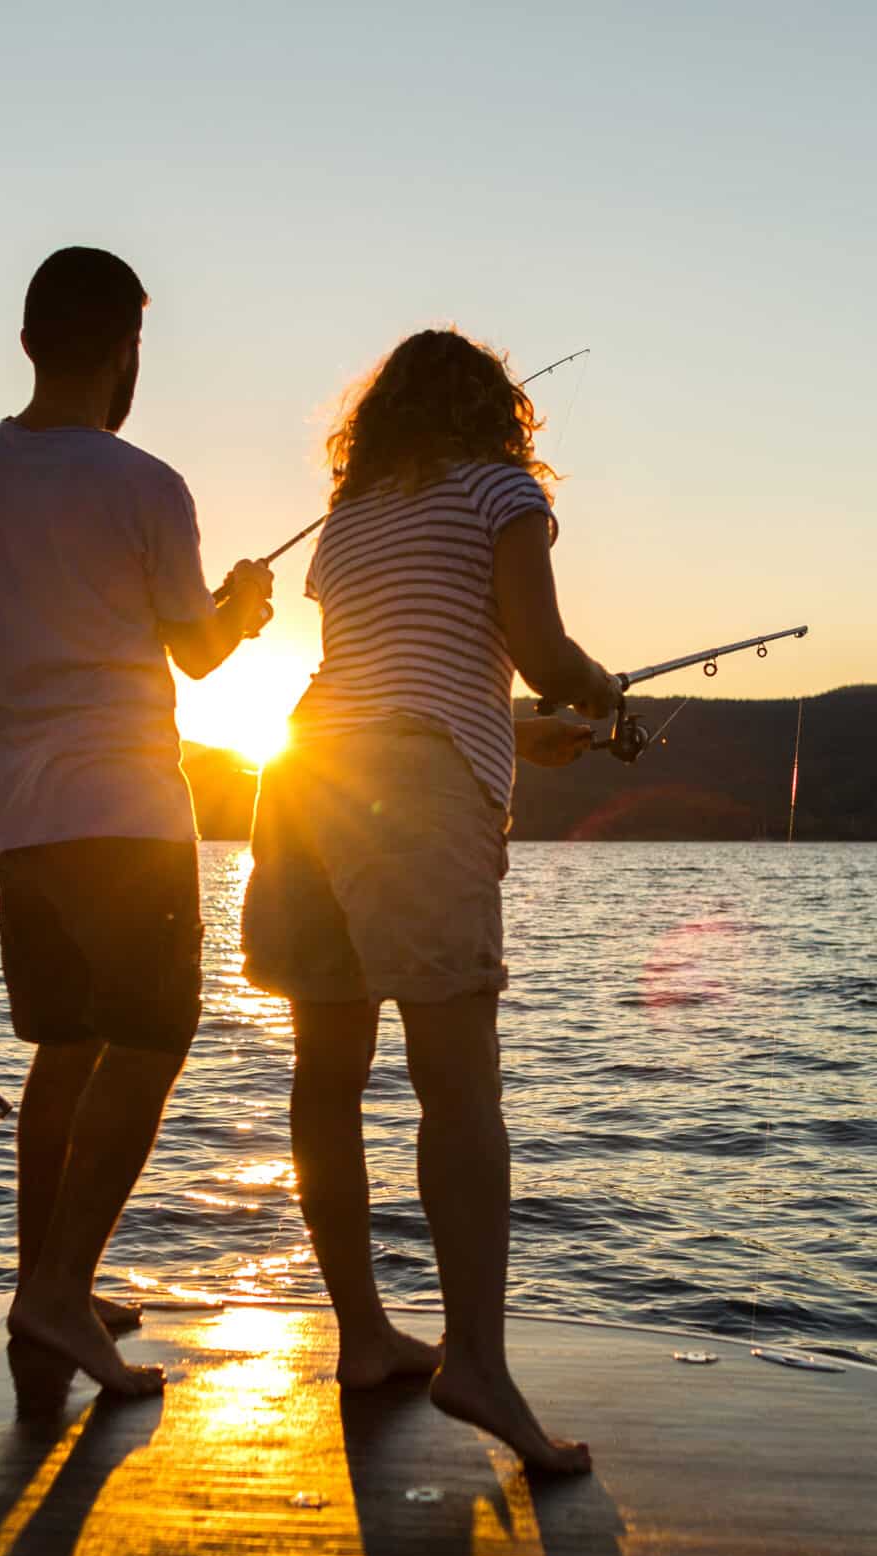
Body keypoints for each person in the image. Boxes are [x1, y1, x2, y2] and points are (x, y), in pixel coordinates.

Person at [241, 329, 616, 1474]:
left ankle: (363, 1338)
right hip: (410, 785)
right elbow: (539, 648)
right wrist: (596, 695)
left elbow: (381, 674)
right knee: (458, 1088)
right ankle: (478, 1367)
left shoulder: (352, 521)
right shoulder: (503, 491)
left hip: (305, 777)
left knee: (327, 1072)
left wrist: (510, 730)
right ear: (497, 413)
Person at [0, 245, 274, 1398]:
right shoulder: (146, 485)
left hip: (20, 819)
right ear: (129, 349)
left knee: (65, 1051)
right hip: (127, 814)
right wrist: (245, 605)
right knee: (150, 1044)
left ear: (28, 340)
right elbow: (196, 648)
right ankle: (53, 1297)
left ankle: (56, 1289)